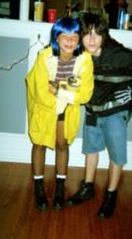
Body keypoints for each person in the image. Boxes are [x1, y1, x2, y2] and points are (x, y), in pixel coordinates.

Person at [67, 12, 132, 219]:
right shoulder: (81, 57)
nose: (92, 40)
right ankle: (88, 187)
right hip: (93, 109)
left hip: (115, 111)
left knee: (116, 155)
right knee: (91, 149)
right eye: (87, 34)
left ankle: (110, 194)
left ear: (104, 35)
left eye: (97, 34)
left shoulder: (120, 56)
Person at [26, 17, 94, 212]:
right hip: (44, 109)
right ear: (56, 37)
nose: (69, 40)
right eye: (64, 35)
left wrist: (57, 90)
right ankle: (39, 188)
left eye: (74, 35)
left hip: (67, 110)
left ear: (79, 39)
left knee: (62, 144)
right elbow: (40, 91)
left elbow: (85, 94)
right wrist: (69, 91)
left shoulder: (85, 60)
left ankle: (59, 189)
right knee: (39, 143)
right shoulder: (44, 57)